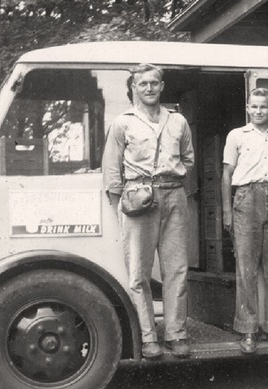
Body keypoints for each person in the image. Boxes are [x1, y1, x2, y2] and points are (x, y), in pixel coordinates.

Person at [102, 64, 195, 359]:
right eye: (143, 84)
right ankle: (147, 337)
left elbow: (189, 160)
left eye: (154, 83)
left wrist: (171, 180)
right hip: (137, 197)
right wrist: (121, 205)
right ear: (134, 87)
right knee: (138, 273)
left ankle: (176, 334)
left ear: (162, 86)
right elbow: (111, 168)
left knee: (177, 270)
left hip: (173, 195)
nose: (149, 88)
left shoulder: (178, 121)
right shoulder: (123, 123)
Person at [221, 88, 268, 354]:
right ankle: (248, 331)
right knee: (246, 269)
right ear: (248, 108)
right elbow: (227, 174)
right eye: (254, 106)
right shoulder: (236, 136)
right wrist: (227, 211)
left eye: (264, 107)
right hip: (246, 198)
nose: (259, 111)